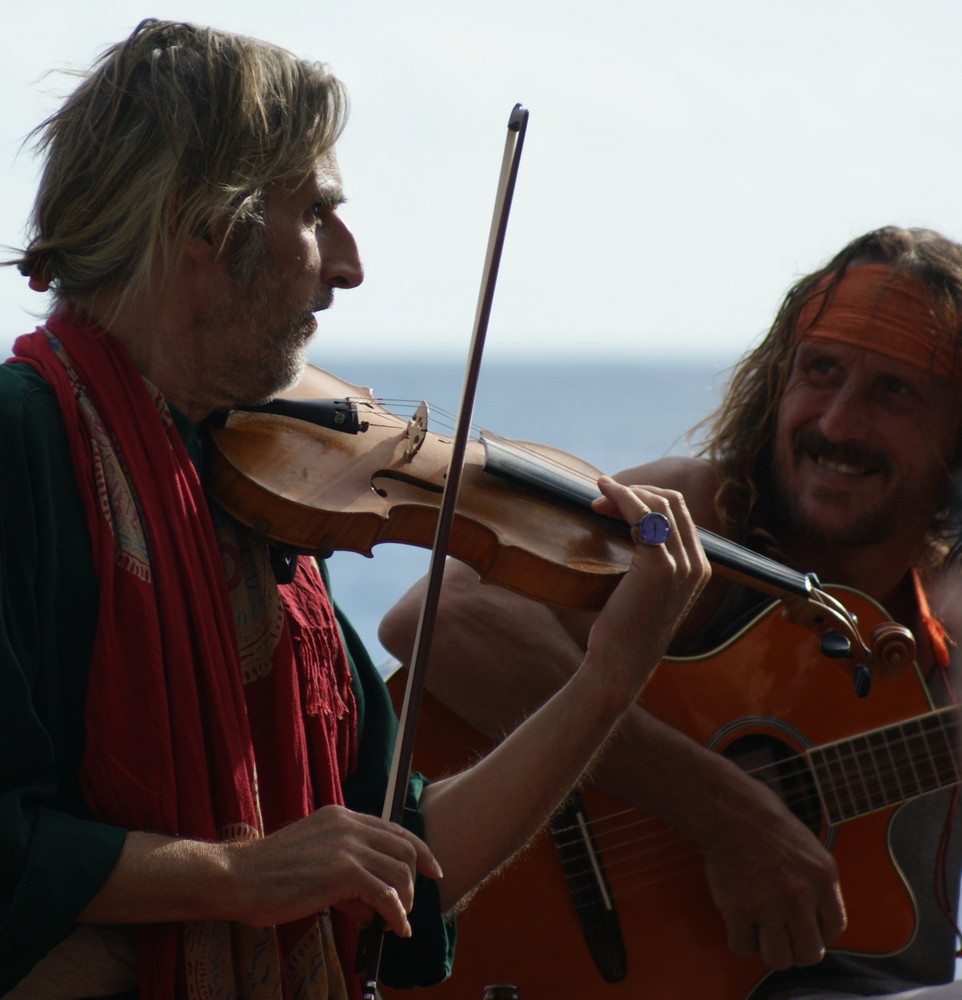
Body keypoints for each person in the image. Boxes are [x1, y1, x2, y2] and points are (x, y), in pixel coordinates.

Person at [0, 19, 712, 1000]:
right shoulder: (22, 444)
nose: (349, 263)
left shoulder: (255, 484)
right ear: (208, 228)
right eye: (317, 213)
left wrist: (607, 676)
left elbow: (397, 859)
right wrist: (239, 877)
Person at [380, 225, 962, 999]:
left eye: (894, 391)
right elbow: (434, 615)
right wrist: (726, 814)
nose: (838, 423)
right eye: (820, 371)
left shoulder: (932, 645)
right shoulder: (698, 519)